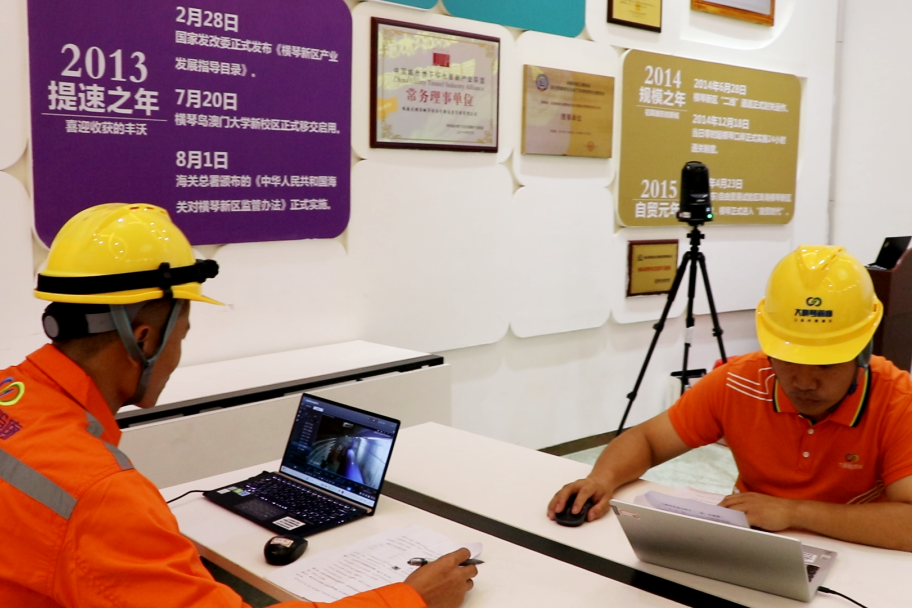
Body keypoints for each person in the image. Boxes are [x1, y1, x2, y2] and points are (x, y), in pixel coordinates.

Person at [0, 203, 478, 607]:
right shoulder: (101, 495)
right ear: (143, 340)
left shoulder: (13, 392)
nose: (176, 356)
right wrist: (410, 598)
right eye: (181, 336)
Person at [548, 245, 912, 552]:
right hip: (749, 544)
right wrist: (602, 478)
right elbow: (647, 440)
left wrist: (793, 512)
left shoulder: (898, 401)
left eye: (826, 364)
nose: (803, 382)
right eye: (788, 358)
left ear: (862, 352)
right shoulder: (738, 381)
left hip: (860, 552)